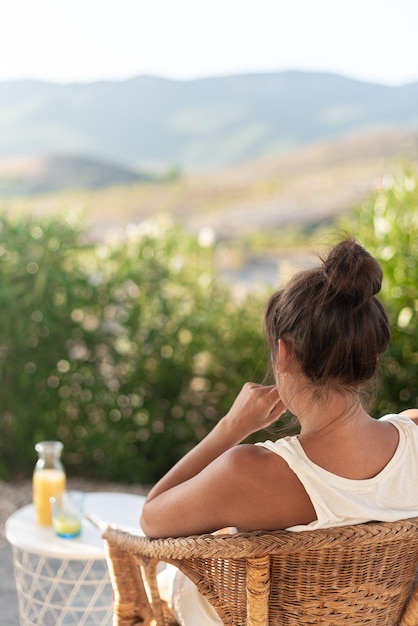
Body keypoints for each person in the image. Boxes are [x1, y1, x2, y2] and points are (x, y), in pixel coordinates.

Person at [140, 236, 418, 625]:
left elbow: (152, 517)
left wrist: (230, 427)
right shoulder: (414, 435)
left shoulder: (249, 472)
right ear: (368, 357)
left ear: (284, 353)